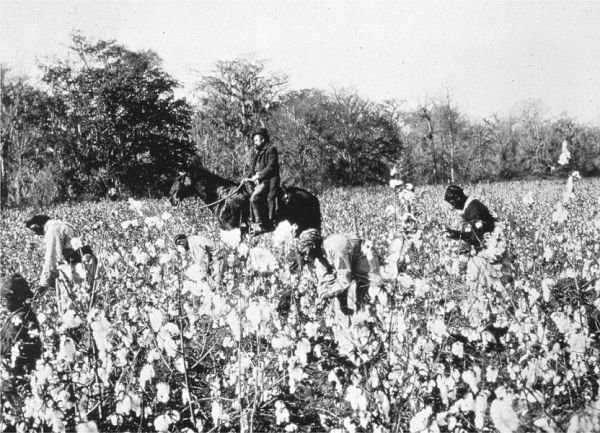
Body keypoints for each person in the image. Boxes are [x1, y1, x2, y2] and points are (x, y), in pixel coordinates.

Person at [296, 229, 381, 317]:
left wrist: (329, 293)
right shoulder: (319, 257)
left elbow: (345, 279)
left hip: (366, 258)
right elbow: (325, 280)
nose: (305, 258)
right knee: (360, 309)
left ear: (312, 245)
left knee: (372, 300)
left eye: (304, 252)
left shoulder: (335, 247)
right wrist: (322, 297)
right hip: (353, 266)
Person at [25, 212, 96, 296]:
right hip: (87, 264)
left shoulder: (52, 230)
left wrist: (43, 285)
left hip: (81, 267)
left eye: (33, 229)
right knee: (87, 297)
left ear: (37, 225)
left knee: (79, 300)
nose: (35, 233)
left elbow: (52, 258)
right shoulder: (59, 224)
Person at [0, 274, 42, 410]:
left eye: (7, 298)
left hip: (15, 382)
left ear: (15, 298)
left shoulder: (20, 320)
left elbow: (13, 353)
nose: (4, 302)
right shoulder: (22, 315)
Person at [246, 127, 280, 234]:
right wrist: (247, 178)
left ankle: (262, 224)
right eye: (254, 141)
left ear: (263, 140)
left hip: (269, 180)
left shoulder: (271, 150)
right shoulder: (258, 153)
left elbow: (271, 167)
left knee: (255, 198)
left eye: (256, 140)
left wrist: (259, 175)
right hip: (260, 181)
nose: (254, 143)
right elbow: (252, 169)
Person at [444, 185, 496, 254]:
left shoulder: (473, 210)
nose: (453, 207)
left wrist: (460, 240)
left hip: (490, 248)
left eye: (452, 203)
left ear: (458, 198)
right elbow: (473, 233)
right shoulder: (471, 206)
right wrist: (457, 234)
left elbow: (476, 240)